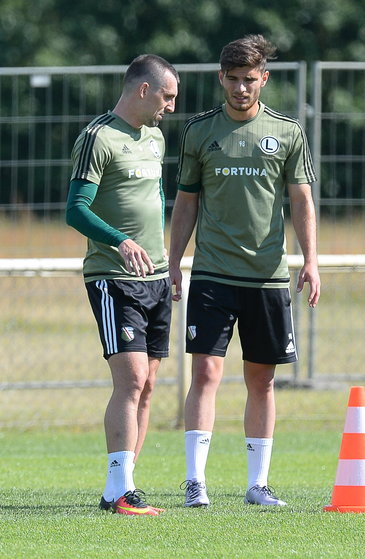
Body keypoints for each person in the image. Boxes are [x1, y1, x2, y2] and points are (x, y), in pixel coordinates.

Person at [169, 34, 320, 508]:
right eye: (232, 80)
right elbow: (186, 203)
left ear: (264, 79)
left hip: (268, 275)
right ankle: (196, 481)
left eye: (249, 80)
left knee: (262, 379)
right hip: (213, 273)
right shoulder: (198, 131)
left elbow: (301, 201)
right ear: (220, 78)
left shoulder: (289, 132)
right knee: (207, 373)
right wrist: (174, 262)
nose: (240, 88)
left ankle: (258, 484)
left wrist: (312, 260)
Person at [66, 54, 179, 515]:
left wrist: (166, 260)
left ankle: (124, 486)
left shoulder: (155, 137)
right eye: (168, 96)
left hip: (155, 275)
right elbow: (76, 209)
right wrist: (120, 241)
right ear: (144, 90)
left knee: (148, 385)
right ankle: (118, 492)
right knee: (131, 379)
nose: (171, 107)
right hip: (114, 277)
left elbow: (153, 201)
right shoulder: (97, 138)